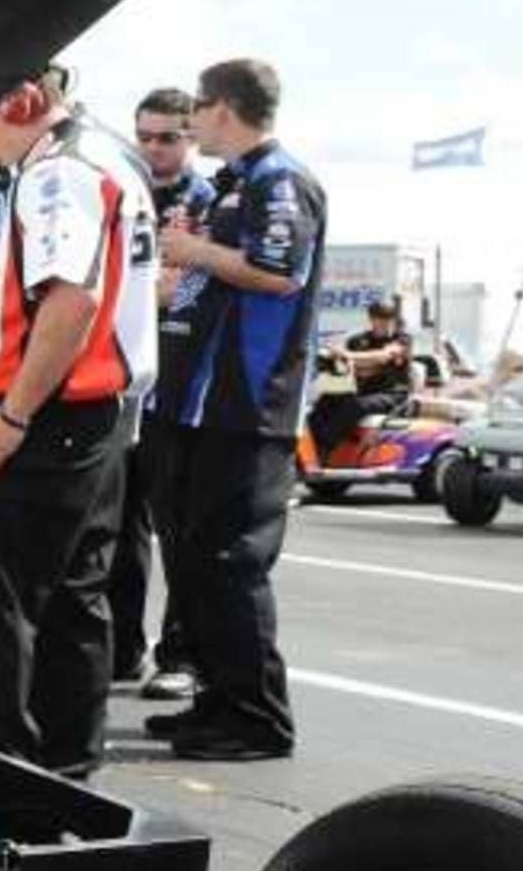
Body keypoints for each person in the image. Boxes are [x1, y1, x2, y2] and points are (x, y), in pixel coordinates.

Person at [0, 73, 156, 778]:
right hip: (100, 415)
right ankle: (67, 769)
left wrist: (13, 412)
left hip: (47, 411)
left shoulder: (58, 170)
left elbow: (70, 302)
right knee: (74, 600)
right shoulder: (113, 154)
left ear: (18, 105)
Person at [147, 57, 326, 762]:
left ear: (223, 107)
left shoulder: (281, 180)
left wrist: (194, 251)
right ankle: (216, 702)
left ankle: (257, 718)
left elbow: (279, 275)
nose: (190, 121)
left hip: (247, 407)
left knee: (230, 563)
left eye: (197, 106)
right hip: (194, 403)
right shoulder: (233, 183)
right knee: (193, 560)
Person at [108, 88, 215, 702]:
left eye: (167, 137)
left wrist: (125, 291)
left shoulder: (208, 202)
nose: (153, 148)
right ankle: (120, 647)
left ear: (192, 136)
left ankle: (182, 656)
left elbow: (182, 289)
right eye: (144, 136)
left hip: (181, 388)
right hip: (122, 389)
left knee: (181, 533)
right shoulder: (121, 190)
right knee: (116, 531)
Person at [306, 297, 414, 452]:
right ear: (372, 319)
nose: (385, 322)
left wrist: (350, 356)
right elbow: (357, 370)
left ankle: (326, 447)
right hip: (365, 392)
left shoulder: (402, 340)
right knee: (326, 400)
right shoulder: (358, 341)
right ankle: (309, 445)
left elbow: (382, 356)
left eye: (389, 317)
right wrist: (340, 358)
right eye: (380, 317)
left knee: (355, 405)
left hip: (392, 395)